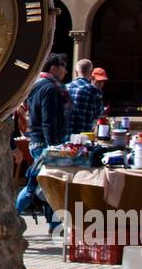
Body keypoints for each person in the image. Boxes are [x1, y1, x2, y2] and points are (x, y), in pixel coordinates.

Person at [15, 53, 70, 224]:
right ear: (53, 68)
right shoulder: (50, 89)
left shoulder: (36, 85)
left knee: (46, 184)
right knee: (34, 185)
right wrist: (54, 146)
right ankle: (12, 214)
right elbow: (48, 120)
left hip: (37, 140)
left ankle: (54, 224)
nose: (66, 71)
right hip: (45, 143)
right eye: (63, 67)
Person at [66, 59, 106, 135]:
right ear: (91, 73)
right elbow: (100, 114)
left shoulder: (64, 88)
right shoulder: (94, 91)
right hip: (83, 138)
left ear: (75, 71)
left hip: (64, 136)